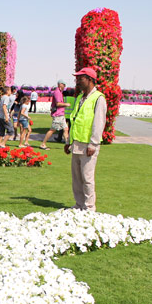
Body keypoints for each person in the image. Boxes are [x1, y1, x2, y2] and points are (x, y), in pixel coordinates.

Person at [64, 67, 107, 212]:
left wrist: (93, 143)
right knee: (76, 178)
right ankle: (79, 204)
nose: (77, 82)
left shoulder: (98, 98)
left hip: (88, 144)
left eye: (80, 78)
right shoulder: (80, 98)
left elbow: (98, 122)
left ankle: (89, 207)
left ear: (89, 79)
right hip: (77, 142)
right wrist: (68, 141)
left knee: (87, 177)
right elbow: (74, 120)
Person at [40, 80, 70, 150]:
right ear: (60, 85)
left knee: (65, 129)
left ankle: (67, 145)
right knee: (53, 130)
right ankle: (43, 144)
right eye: (64, 85)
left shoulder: (59, 92)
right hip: (58, 114)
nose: (64, 87)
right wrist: (66, 104)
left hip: (61, 114)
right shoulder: (57, 92)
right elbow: (58, 104)